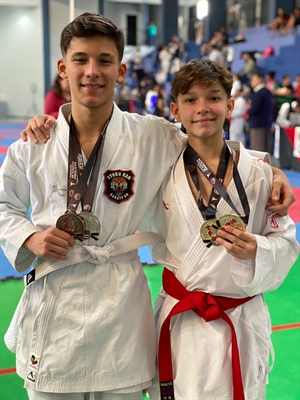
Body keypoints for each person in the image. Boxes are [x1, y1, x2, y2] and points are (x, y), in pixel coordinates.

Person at [16, 13, 296, 400]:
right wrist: (28, 236)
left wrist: (270, 169)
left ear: (122, 70)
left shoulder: (150, 135)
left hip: (119, 309)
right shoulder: (35, 142)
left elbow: (207, 143)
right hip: (56, 299)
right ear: (64, 67)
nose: (92, 71)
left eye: (104, 60)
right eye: (80, 59)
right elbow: (3, 203)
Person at [146, 59, 299, 400]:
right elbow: (114, 134)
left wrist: (258, 250)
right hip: (182, 321)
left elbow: (287, 242)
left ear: (230, 105)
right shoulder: (160, 168)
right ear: (175, 109)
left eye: (213, 98)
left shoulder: (260, 174)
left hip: (241, 321)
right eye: (190, 100)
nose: (203, 108)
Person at [246, 71, 274, 153]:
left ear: (259, 80)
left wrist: (248, 108)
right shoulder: (268, 92)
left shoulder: (258, 93)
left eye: (253, 79)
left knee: (257, 151)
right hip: (267, 123)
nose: (251, 82)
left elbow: (254, 109)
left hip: (257, 125)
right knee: (266, 149)